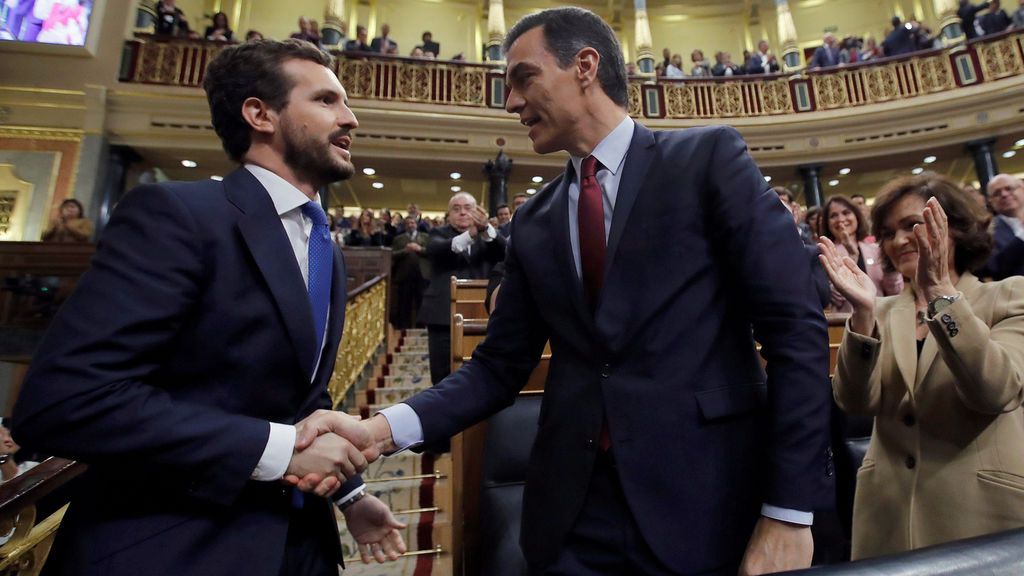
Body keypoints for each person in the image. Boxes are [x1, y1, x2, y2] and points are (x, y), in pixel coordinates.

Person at [349, 8, 832, 575]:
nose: (509, 103)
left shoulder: (707, 161)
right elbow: (498, 368)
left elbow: (795, 332)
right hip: (574, 517)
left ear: (584, 66)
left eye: (523, 78)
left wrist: (789, 512)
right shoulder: (534, 222)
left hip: (709, 501)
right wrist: (381, 429)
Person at [12, 39, 406, 575]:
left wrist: (350, 496)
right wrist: (280, 449)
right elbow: (65, 402)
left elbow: (298, 400)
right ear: (259, 114)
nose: (351, 118)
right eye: (327, 101)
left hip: (295, 542)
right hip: (174, 544)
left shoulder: (324, 246)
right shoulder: (177, 215)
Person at [821, 173, 1024, 559]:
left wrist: (942, 297)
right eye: (886, 232)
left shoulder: (1009, 295)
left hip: (984, 519)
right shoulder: (879, 310)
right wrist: (862, 314)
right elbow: (854, 402)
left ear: (956, 229)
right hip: (888, 518)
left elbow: (996, 390)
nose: (897, 241)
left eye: (912, 225)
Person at [418, 192, 506, 385]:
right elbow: (438, 250)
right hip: (442, 318)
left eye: (468, 208)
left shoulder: (488, 238)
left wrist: (486, 230)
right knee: (442, 375)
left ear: (478, 212)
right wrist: (470, 234)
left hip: (481, 317)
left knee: (481, 374)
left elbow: (506, 252)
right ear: (448, 215)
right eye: (456, 209)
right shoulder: (437, 234)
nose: (463, 213)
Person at [822, 195, 903, 311]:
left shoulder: (876, 249)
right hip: (848, 323)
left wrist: (890, 268)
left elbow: (894, 292)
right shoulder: (825, 254)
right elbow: (836, 299)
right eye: (833, 216)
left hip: (883, 319)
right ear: (827, 223)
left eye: (846, 213)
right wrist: (851, 257)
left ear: (856, 216)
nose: (840, 219)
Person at [983, 173, 1024, 279]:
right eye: (997, 193)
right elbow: (995, 268)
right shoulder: (987, 231)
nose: (1004, 194)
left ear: (1022, 189)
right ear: (990, 201)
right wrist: (1021, 236)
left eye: (1009, 188)